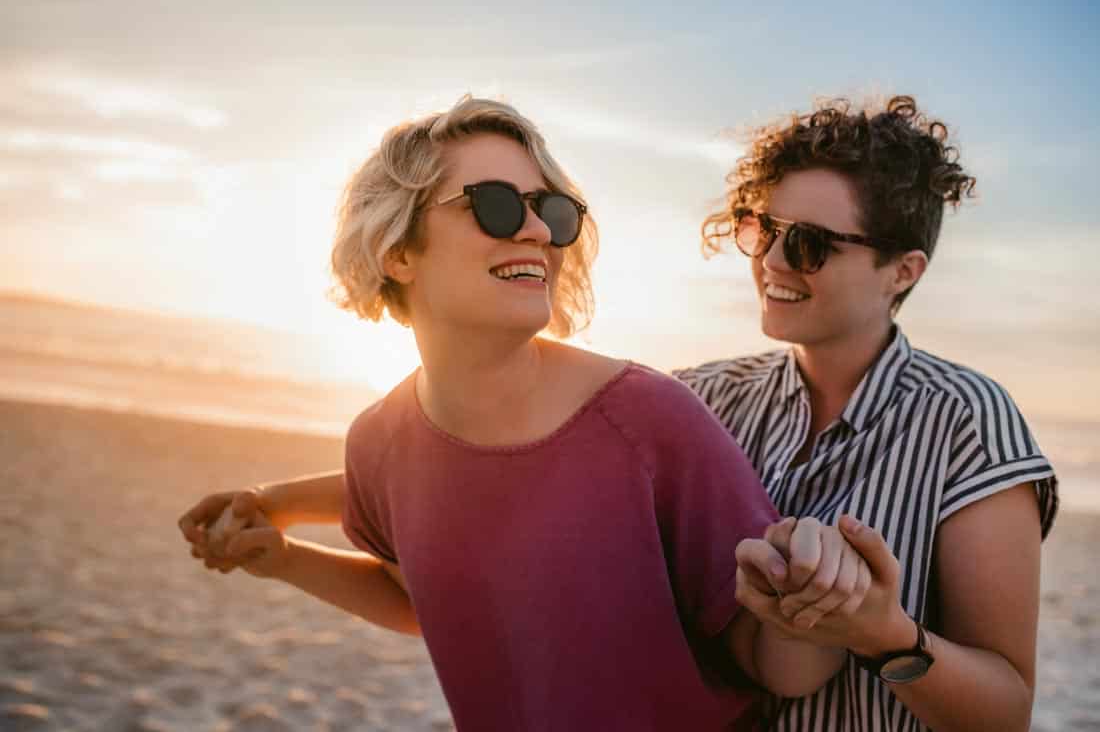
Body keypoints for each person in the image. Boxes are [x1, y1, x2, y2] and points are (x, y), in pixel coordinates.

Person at [179, 96, 870, 731]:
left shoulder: (649, 420)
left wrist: (812, 614)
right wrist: (285, 556)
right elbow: (424, 602)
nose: (539, 230)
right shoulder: (379, 443)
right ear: (397, 250)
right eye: (498, 205)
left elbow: (778, 664)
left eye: (553, 210)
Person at [678, 95, 1058, 731]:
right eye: (765, 229)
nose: (771, 261)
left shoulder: (966, 422)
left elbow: (1005, 711)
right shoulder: (702, 400)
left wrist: (885, 636)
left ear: (902, 272)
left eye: (809, 244)